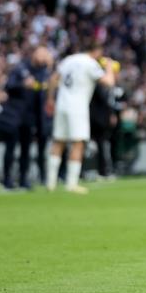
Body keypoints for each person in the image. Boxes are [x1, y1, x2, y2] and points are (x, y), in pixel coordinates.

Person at [45, 41, 116, 194]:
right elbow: (109, 82)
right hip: (77, 107)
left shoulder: (69, 59)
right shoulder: (90, 63)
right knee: (78, 143)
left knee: (58, 141)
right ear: (96, 51)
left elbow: (53, 79)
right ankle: (72, 184)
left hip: (61, 104)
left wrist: (50, 99)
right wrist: (109, 68)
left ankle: (50, 183)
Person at [0, 46, 54, 189]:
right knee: (10, 148)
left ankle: (23, 178)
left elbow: (46, 89)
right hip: (15, 115)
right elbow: (8, 86)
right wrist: (22, 84)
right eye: (42, 54)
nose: (44, 58)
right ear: (34, 54)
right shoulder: (21, 68)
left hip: (30, 117)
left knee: (26, 150)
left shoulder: (43, 72)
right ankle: (7, 178)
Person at [89, 59, 121, 180]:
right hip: (98, 119)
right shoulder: (101, 83)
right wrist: (111, 114)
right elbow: (105, 100)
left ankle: (104, 170)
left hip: (100, 118)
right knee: (100, 145)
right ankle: (102, 171)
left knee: (102, 145)